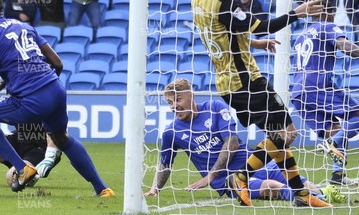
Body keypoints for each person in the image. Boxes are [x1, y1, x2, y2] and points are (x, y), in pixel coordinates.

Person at [191, 0, 329, 207]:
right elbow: (264, 24)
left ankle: (300, 194)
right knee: (287, 133)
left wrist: (255, 43)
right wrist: (298, 12)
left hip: (226, 84)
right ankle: (242, 176)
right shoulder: (225, 0)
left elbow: (225, 32)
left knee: (278, 137)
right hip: (247, 81)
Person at [0, 0, 115, 196]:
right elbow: (57, 63)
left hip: (31, 101)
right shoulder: (25, 26)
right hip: (56, 90)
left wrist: (2, 85)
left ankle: (21, 167)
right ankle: (102, 188)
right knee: (62, 138)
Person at [144, 79, 346, 204]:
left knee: (299, 181)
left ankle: (324, 194)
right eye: (170, 102)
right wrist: (155, 189)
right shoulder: (172, 132)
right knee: (271, 186)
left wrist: (209, 175)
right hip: (226, 179)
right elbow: (165, 164)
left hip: (251, 160)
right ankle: (317, 198)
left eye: (178, 100)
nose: (174, 106)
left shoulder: (213, 107)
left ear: (191, 95)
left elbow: (231, 142)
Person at [291, 0, 359, 185]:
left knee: (336, 131)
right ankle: (334, 144)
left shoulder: (301, 35)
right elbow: (344, 46)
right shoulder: (327, 26)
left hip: (298, 93)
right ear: (330, 14)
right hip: (318, 84)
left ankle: (337, 175)